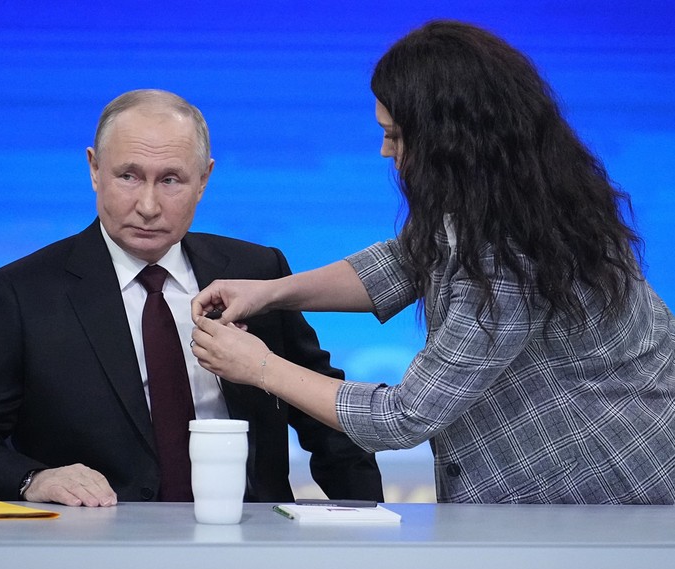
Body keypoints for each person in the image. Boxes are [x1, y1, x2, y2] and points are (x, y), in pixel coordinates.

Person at [191, 21, 675, 504]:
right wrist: (271, 291)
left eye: (396, 136)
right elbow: (408, 260)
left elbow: (404, 417)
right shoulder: (513, 197)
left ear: (451, 140)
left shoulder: (511, 253)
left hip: (604, 504)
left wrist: (259, 367)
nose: (385, 150)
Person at [0, 89, 384, 507]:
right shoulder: (24, 292)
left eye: (171, 180)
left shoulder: (256, 273)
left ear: (204, 180)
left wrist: (374, 529)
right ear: (93, 169)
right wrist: (33, 479)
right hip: (96, 551)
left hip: (251, 547)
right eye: (128, 176)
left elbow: (328, 424)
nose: (147, 205)